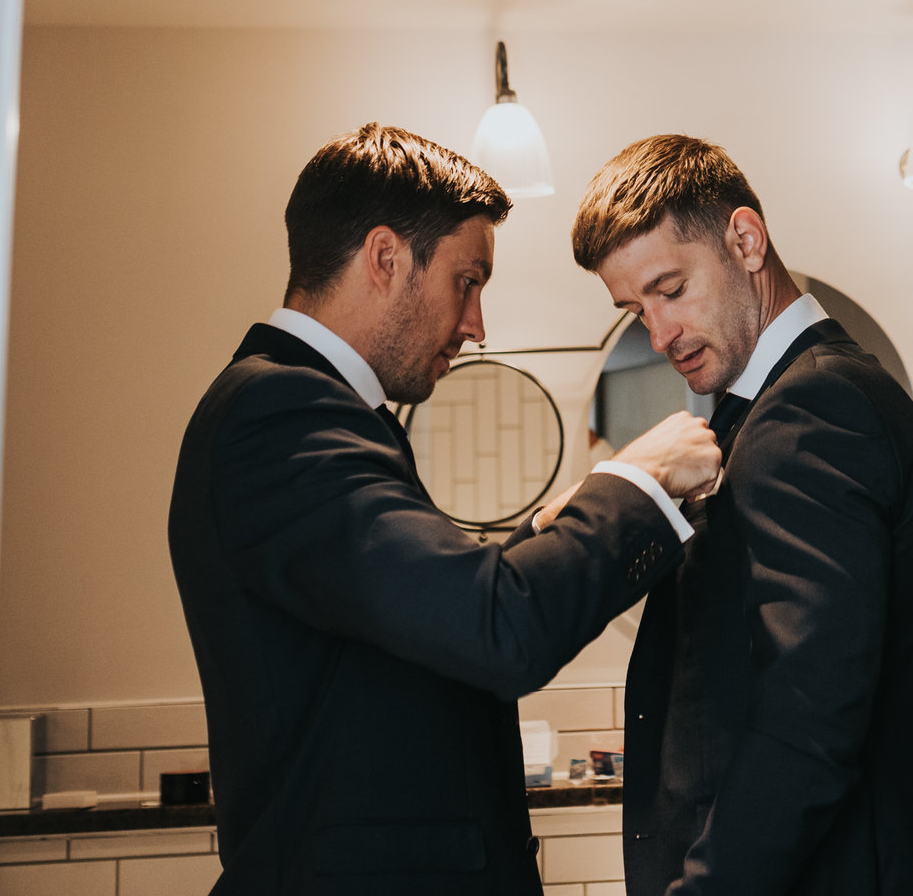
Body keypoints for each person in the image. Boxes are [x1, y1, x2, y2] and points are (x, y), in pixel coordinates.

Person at [169, 123, 720, 896]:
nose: (477, 325)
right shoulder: (280, 411)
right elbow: (496, 630)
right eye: (469, 280)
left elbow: (420, 615)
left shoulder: (317, 414)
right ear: (386, 257)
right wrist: (638, 479)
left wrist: (545, 533)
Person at [570, 134, 913, 896]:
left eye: (671, 288)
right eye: (635, 308)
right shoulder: (779, 409)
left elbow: (808, 716)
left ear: (745, 241)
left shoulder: (815, 410)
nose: (659, 335)